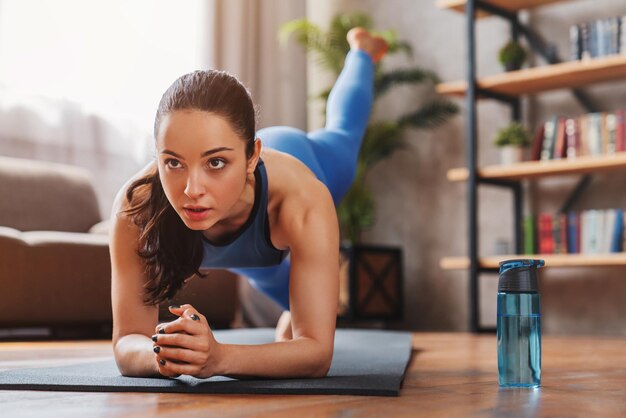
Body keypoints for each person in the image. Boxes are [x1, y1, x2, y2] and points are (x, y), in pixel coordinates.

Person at [110, 28, 388, 379]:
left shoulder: (301, 198)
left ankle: (361, 53)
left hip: (303, 158)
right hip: (259, 255)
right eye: (173, 162)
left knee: (344, 134)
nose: (191, 190)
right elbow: (126, 343)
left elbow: (317, 354)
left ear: (252, 157)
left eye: (215, 163)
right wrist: (168, 354)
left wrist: (218, 358)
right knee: (266, 275)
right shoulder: (137, 207)